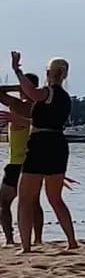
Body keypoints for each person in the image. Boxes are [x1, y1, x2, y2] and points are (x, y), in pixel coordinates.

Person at [8, 53, 77, 253]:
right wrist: (21, 120)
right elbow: (47, 123)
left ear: (48, 73)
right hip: (58, 145)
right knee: (55, 198)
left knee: (25, 198)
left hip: (40, 146)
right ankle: (71, 241)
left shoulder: (49, 92)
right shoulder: (65, 98)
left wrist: (17, 70)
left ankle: (26, 246)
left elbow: (31, 92)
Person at [0, 73, 44, 247]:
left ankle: (10, 239)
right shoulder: (41, 108)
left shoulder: (18, 105)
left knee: (4, 202)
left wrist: (17, 87)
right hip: (35, 162)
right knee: (34, 202)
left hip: (17, 163)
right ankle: (38, 239)